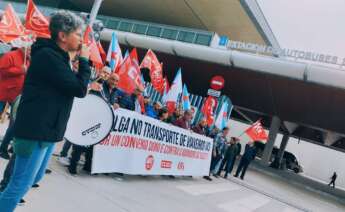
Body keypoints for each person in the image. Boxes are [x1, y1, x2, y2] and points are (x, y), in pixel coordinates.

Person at [0, 11, 90, 212]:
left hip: (47, 131)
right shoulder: (48, 56)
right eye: (78, 34)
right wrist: (84, 62)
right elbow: (79, 89)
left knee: (33, 179)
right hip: (35, 131)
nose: (82, 40)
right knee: (18, 185)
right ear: (63, 36)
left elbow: (70, 85)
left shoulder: (58, 57)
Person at [68, 69, 119, 175]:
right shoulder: (99, 83)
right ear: (108, 78)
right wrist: (97, 79)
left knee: (93, 144)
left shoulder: (114, 92)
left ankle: (88, 166)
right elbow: (88, 88)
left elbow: (109, 103)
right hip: (88, 117)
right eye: (112, 79)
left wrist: (114, 105)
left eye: (116, 81)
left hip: (100, 121)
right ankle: (72, 166)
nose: (114, 82)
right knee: (81, 143)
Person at [0, 46, 31, 159]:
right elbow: (2, 70)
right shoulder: (10, 55)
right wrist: (20, 70)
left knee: (14, 123)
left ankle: (4, 147)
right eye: (29, 48)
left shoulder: (27, 59)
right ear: (23, 46)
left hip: (17, 96)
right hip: (3, 93)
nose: (30, 50)